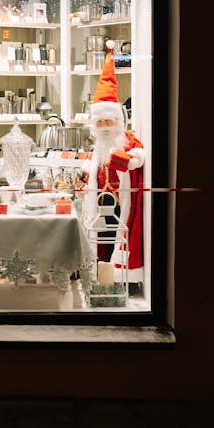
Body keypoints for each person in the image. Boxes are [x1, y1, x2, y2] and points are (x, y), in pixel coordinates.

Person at [83, 42, 145, 286]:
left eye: (109, 121)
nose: (106, 127)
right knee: (102, 237)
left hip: (121, 202)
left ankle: (118, 278)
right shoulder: (97, 146)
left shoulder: (126, 139)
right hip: (100, 202)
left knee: (119, 237)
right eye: (101, 123)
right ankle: (101, 276)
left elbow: (139, 154)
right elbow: (92, 166)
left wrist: (132, 160)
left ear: (118, 121)